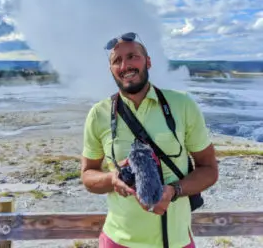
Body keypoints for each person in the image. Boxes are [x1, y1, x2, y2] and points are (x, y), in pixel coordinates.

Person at [81, 32, 218, 248]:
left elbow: (209, 169)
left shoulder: (182, 105)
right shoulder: (99, 114)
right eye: (117, 60)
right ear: (112, 71)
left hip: (176, 241)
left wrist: (174, 190)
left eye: (133, 56)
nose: (125, 65)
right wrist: (112, 179)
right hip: (118, 240)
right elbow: (88, 174)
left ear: (148, 62)